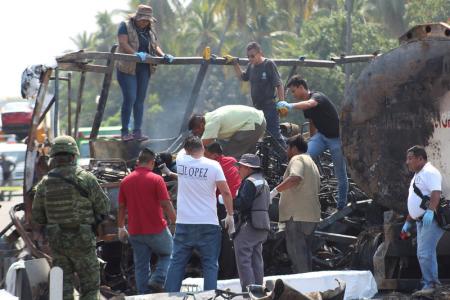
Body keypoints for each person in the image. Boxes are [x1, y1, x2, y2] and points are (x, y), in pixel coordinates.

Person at [31, 136, 110, 300]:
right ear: (74, 156)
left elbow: (38, 216)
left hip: (58, 242)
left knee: (61, 289)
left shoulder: (44, 183)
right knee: (90, 288)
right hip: (83, 240)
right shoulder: (86, 178)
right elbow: (104, 207)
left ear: (54, 158)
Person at [164, 136, 234, 292]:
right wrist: (230, 215)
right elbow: (226, 192)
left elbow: (184, 149)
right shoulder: (214, 165)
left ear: (187, 150)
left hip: (184, 223)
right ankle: (208, 296)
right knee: (210, 264)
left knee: (177, 263)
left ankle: (170, 295)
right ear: (203, 148)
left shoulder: (181, 161)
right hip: (208, 223)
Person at [278, 75, 348, 209]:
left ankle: (341, 206)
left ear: (301, 87)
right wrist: (311, 139)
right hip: (321, 136)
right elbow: (312, 122)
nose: (293, 95)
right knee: (303, 158)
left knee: (340, 172)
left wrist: (290, 105)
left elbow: (311, 103)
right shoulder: (305, 107)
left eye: (293, 91)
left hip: (336, 138)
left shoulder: (317, 96)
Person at [117, 147, 176, 294]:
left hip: (135, 231)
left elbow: (121, 207)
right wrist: (175, 221)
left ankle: (143, 295)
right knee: (172, 253)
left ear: (138, 162)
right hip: (156, 229)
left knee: (141, 265)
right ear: (152, 162)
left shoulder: (125, 181)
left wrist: (120, 227)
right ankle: (158, 279)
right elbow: (166, 204)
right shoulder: (156, 179)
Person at [117, 4, 174, 141]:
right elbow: (123, 43)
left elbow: (155, 45)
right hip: (127, 68)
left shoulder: (149, 30)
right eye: (142, 19)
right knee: (130, 98)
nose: (144, 22)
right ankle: (125, 132)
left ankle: (137, 132)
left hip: (144, 68)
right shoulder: (125, 25)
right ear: (137, 17)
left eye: (147, 20)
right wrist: (136, 54)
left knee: (140, 100)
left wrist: (163, 55)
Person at [270, 134, 320, 273]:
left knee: (298, 256)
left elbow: (295, 178)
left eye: (288, 147)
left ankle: (304, 290)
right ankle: (311, 288)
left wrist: (274, 191)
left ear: (294, 148)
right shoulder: (311, 162)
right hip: (310, 216)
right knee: (305, 255)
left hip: (296, 217)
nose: (286, 151)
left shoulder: (297, 159)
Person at [400, 145, 445, 297]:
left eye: (410, 158)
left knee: (425, 253)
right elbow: (416, 201)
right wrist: (408, 223)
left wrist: (430, 212)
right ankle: (428, 283)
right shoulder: (418, 175)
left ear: (420, 158)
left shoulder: (429, 172)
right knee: (422, 253)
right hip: (420, 221)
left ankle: (431, 285)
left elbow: (436, 193)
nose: (407, 162)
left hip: (430, 220)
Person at [226, 41, 286, 148]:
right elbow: (243, 77)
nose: (250, 59)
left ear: (260, 53)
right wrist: (235, 63)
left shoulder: (268, 64)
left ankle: (286, 159)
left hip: (270, 107)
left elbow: (279, 84)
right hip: (257, 109)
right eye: (248, 57)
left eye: (252, 56)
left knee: (275, 136)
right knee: (258, 136)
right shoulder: (251, 66)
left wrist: (281, 103)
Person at [233, 154, 270, 291]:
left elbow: (242, 203)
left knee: (244, 260)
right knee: (256, 260)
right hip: (262, 226)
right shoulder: (263, 181)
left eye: (240, 167)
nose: (238, 170)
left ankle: (248, 294)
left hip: (251, 225)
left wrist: (225, 201)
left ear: (248, 168)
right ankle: (258, 293)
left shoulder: (250, 181)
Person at [204, 142, 242, 279]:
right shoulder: (231, 162)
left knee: (225, 243)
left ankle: (225, 277)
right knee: (232, 242)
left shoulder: (214, 166)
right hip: (237, 205)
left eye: (206, 155)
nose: (204, 158)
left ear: (214, 155)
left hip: (225, 206)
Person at [188, 105, 266, 159]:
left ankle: (234, 181)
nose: (197, 134)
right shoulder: (210, 117)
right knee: (246, 155)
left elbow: (202, 144)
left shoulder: (211, 122)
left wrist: (186, 153)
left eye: (196, 132)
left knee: (231, 156)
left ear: (201, 125)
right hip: (257, 120)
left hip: (253, 123)